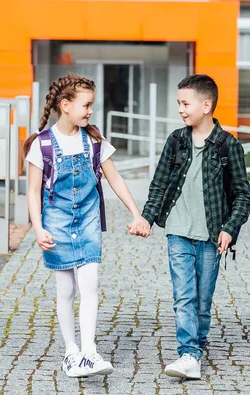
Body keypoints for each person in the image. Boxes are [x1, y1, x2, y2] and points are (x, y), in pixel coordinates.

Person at [23, 73, 150, 378]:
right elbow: (32, 191)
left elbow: (115, 179)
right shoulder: (41, 145)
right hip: (57, 224)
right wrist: (38, 229)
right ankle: (71, 351)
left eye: (91, 105)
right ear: (65, 105)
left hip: (89, 221)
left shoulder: (93, 139)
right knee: (66, 288)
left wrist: (136, 213)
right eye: (86, 105)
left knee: (89, 284)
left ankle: (90, 352)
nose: (90, 111)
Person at [137, 74, 250, 379]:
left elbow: (244, 196)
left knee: (203, 298)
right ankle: (188, 352)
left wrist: (230, 228)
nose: (180, 109)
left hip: (211, 236)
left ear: (206, 105)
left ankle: (196, 347)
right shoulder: (176, 141)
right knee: (184, 294)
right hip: (177, 231)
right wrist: (146, 218)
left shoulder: (228, 146)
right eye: (179, 103)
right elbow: (159, 184)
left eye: (185, 103)